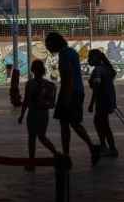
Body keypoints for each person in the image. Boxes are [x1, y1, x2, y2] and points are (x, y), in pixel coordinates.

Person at [45, 32, 100, 166]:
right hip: (77, 91)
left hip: (69, 93)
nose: (47, 47)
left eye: (48, 44)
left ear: (54, 43)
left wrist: (65, 98)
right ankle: (91, 148)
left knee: (65, 125)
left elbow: (67, 77)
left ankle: (67, 155)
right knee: (74, 123)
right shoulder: (72, 52)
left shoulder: (64, 55)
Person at [18, 60, 59, 172]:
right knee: (42, 136)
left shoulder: (30, 84)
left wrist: (22, 115)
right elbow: (51, 103)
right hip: (43, 114)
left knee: (32, 138)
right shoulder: (49, 85)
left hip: (32, 114)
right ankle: (56, 153)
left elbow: (26, 101)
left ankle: (32, 163)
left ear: (33, 70)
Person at [87, 49, 118, 157]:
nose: (88, 59)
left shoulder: (98, 71)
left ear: (96, 58)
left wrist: (91, 104)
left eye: (90, 57)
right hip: (109, 100)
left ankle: (108, 147)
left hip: (102, 101)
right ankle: (107, 146)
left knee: (102, 124)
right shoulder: (107, 68)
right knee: (102, 123)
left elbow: (96, 88)